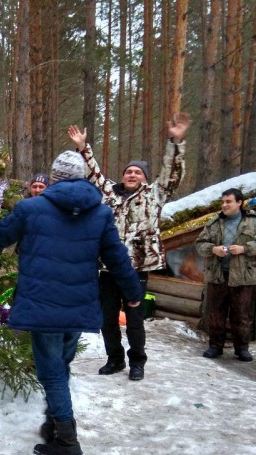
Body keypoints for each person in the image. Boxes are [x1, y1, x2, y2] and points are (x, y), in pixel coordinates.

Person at [0, 151, 143, 455]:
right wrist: (133, 293)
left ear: (54, 177)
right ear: (82, 177)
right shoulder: (100, 213)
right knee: (60, 368)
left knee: (52, 373)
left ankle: (67, 441)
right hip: (77, 306)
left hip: (43, 305)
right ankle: (54, 423)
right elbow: (117, 257)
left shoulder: (31, 209)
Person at [67, 113, 191, 381]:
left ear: (145, 178)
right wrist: (83, 148)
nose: (132, 174)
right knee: (107, 318)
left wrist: (176, 143)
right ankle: (115, 359)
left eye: (137, 172)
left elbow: (172, 174)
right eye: (128, 171)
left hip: (137, 266)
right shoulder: (109, 192)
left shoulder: (154, 195)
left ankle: (138, 362)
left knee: (134, 319)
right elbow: (93, 174)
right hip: (109, 267)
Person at [195, 188, 256, 361]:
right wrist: (213, 249)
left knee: (241, 314)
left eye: (228, 201)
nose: (224, 205)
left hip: (243, 276)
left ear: (239, 202)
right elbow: (200, 244)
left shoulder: (255, 222)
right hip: (218, 275)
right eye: (223, 202)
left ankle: (242, 348)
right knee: (216, 313)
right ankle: (215, 346)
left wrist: (244, 248)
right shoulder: (214, 223)